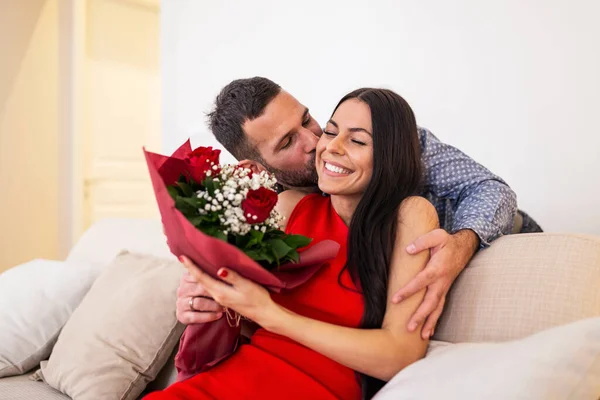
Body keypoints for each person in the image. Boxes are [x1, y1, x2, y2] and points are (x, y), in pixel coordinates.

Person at [176, 77, 542, 342]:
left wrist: (461, 246)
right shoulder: (267, 208)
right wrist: (201, 293)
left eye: (306, 119)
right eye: (288, 142)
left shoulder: (388, 141)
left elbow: (490, 190)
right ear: (258, 169)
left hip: (507, 237)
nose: (316, 141)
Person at [147, 88, 441, 399]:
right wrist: (213, 300)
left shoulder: (410, 215)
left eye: (356, 140)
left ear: (389, 154)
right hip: (225, 383)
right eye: (331, 131)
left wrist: (271, 315)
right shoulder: (288, 206)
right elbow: (248, 319)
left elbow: (400, 354)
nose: (325, 147)